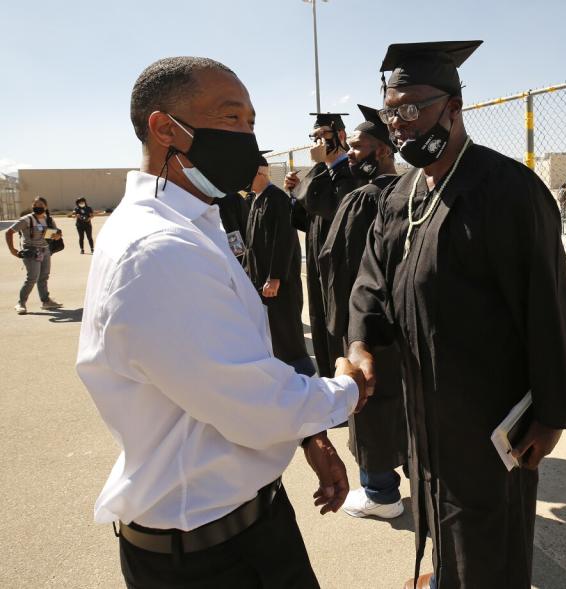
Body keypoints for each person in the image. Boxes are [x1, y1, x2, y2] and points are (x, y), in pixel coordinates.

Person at [76, 56, 369, 589]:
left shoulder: (189, 223)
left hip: (242, 521)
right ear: (165, 128)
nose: (248, 138)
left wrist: (308, 437)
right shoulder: (158, 250)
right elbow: (254, 405)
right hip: (208, 558)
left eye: (252, 122)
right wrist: (346, 390)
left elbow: (233, 367)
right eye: (231, 120)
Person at [348, 40, 566, 588]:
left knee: (487, 531)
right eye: (392, 112)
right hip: (426, 404)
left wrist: (551, 416)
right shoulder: (401, 194)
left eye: (412, 109)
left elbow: (547, 305)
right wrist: (360, 341)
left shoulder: (507, 191)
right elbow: (372, 281)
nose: (400, 124)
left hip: (490, 413)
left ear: (453, 106)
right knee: (434, 507)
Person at [318, 104, 407, 520]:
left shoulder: (364, 199)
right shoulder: (413, 190)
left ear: (384, 149)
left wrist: (344, 327)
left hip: (367, 328)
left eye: (358, 146)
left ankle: (379, 492)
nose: (350, 153)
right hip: (406, 327)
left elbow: (338, 264)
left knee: (370, 403)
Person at [287, 112, 360, 379]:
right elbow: (306, 221)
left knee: (338, 322)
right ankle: (330, 380)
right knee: (319, 320)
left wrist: (316, 169)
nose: (317, 143)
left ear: (340, 136)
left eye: (323, 135)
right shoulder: (325, 173)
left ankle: (348, 381)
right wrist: (295, 195)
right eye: (314, 137)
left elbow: (332, 209)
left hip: (341, 266)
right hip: (319, 262)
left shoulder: (350, 172)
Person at [246, 158, 316, 376]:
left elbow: (284, 240)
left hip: (279, 283)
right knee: (273, 334)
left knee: (287, 333)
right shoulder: (256, 199)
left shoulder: (276, 199)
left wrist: (274, 277)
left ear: (260, 173)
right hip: (261, 280)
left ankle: (305, 378)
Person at [6, 197, 64, 314]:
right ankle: (21, 303)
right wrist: (12, 249)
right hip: (31, 251)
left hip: (45, 251)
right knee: (32, 278)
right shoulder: (27, 219)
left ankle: (46, 301)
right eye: (35, 205)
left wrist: (57, 235)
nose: (37, 207)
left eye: (40, 205)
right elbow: (9, 232)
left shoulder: (49, 220)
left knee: (44, 276)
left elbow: (55, 233)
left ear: (45, 207)